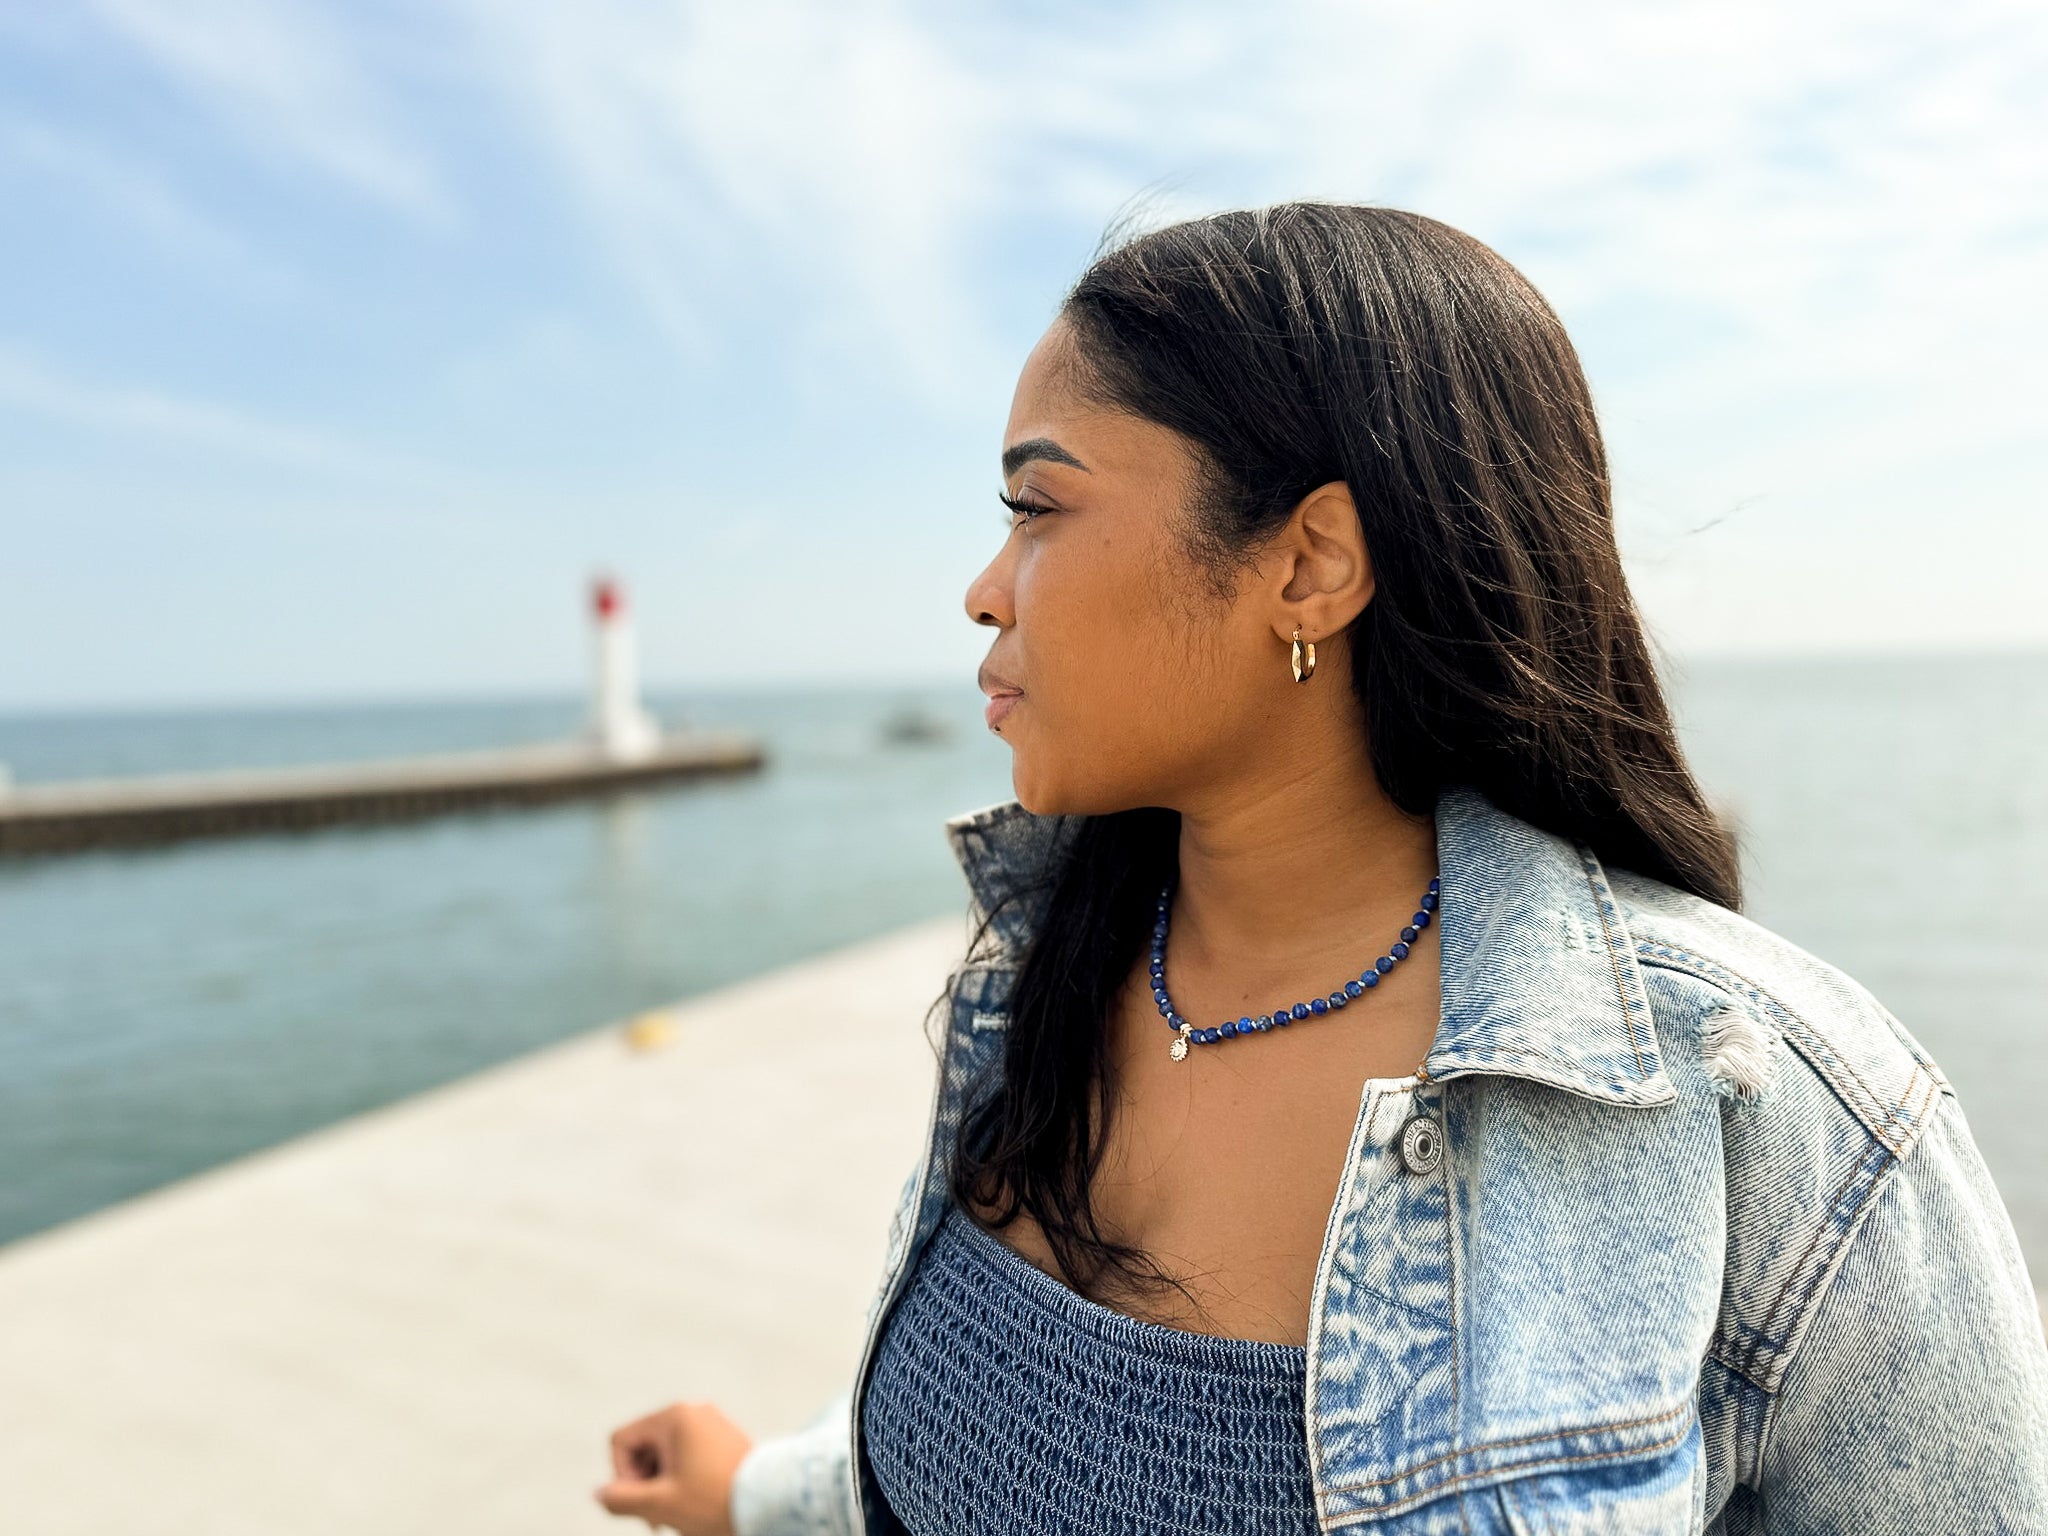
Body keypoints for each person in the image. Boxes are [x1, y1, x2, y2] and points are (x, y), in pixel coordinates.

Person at [596, 202, 2048, 1535]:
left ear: (1309, 567)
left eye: (1037, 507)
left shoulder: (1772, 1107)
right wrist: (762, 1493)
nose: (985, 587)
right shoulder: (1036, 975)